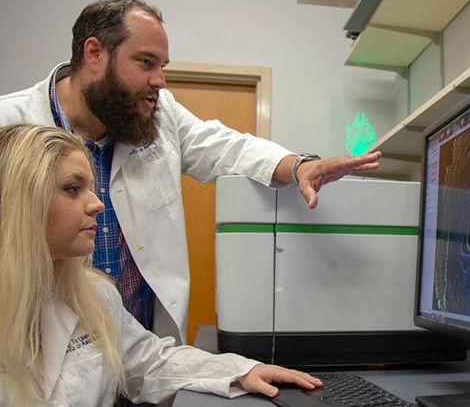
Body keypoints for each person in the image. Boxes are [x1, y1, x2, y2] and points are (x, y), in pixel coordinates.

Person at [0, 0, 381, 347]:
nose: (159, 81)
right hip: (44, 358)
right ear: (94, 53)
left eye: (162, 67)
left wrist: (300, 166)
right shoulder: (10, 124)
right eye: (145, 62)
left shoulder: (158, 114)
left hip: (144, 356)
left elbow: (225, 147)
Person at [0, 123, 323, 407]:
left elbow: (148, 362)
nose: (97, 203)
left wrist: (242, 371)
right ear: (19, 199)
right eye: (73, 189)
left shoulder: (93, 293)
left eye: (90, 187)